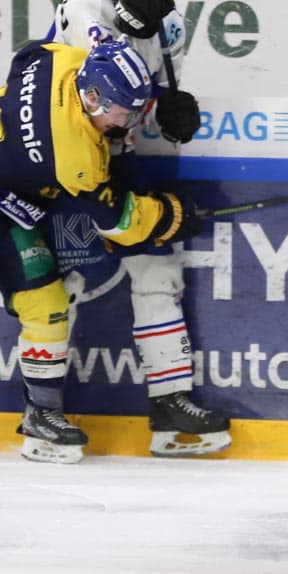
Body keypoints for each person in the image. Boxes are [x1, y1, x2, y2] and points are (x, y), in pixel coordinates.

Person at [0, 38, 201, 463]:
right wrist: (171, 215)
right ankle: (40, 415)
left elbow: (27, 53)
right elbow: (118, 222)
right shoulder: (74, 158)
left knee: (47, 302)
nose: (127, 123)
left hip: (11, 195)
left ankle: (41, 414)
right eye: (122, 113)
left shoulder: (60, 59)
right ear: (92, 97)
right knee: (44, 304)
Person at [46, 0, 231, 457]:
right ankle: (41, 411)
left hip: (117, 160)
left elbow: (136, 108)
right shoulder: (83, 9)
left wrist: (167, 113)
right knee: (60, 284)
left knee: (158, 267)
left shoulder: (170, 26)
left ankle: (169, 401)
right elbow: (87, 98)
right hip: (62, 163)